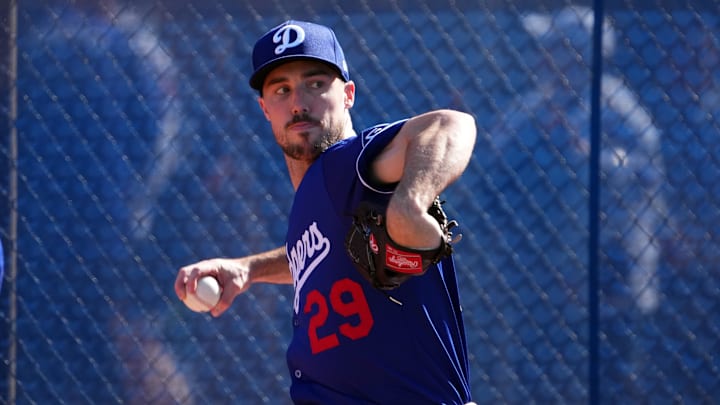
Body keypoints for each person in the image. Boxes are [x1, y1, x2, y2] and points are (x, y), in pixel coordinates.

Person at [175, 20, 477, 404]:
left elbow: (451, 125)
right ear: (264, 108)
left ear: (348, 94)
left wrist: (409, 203)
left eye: (316, 84)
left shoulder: (346, 165)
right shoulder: (317, 199)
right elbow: (329, 253)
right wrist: (249, 268)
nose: (299, 102)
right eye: (282, 90)